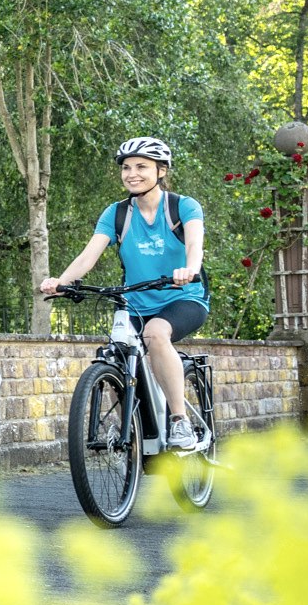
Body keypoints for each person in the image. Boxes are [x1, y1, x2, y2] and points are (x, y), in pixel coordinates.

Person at [41, 136, 206, 450]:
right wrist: (61, 282)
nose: (132, 173)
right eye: (127, 167)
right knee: (116, 355)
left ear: (161, 171)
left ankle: (180, 421)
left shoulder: (182, 206)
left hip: (183, 297)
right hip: (137, 302)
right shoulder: (116, 213)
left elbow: (195, 243)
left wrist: (189, 269)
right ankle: (130, 434)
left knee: (156, 334)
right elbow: (88, 256)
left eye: (141, 167)